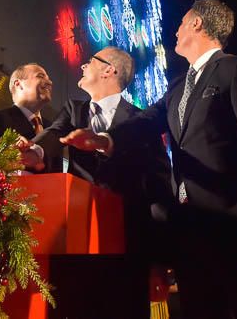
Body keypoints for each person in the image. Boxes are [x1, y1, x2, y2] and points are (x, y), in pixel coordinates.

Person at [61, 0, 237, 319]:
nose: (176, 30)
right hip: (192, 233)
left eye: (181, 23)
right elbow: (147, 122)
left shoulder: (236, 70)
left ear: (196, 24)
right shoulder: (178, 85)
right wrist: (105, 140)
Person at [34, 46, 173, 319]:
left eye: (90, 62)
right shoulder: (74, 110)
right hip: (75, 249)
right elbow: (52, 135)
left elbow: (158, 191)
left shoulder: (140, 122)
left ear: (110, 70)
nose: (83, 66)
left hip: (127, 254)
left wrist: (158, 261)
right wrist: (34, 151)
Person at [0, 63, 54, 140]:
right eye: (40, 76)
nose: (50, 82)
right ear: (18, 84)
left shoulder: (52, 129)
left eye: (48, 78)